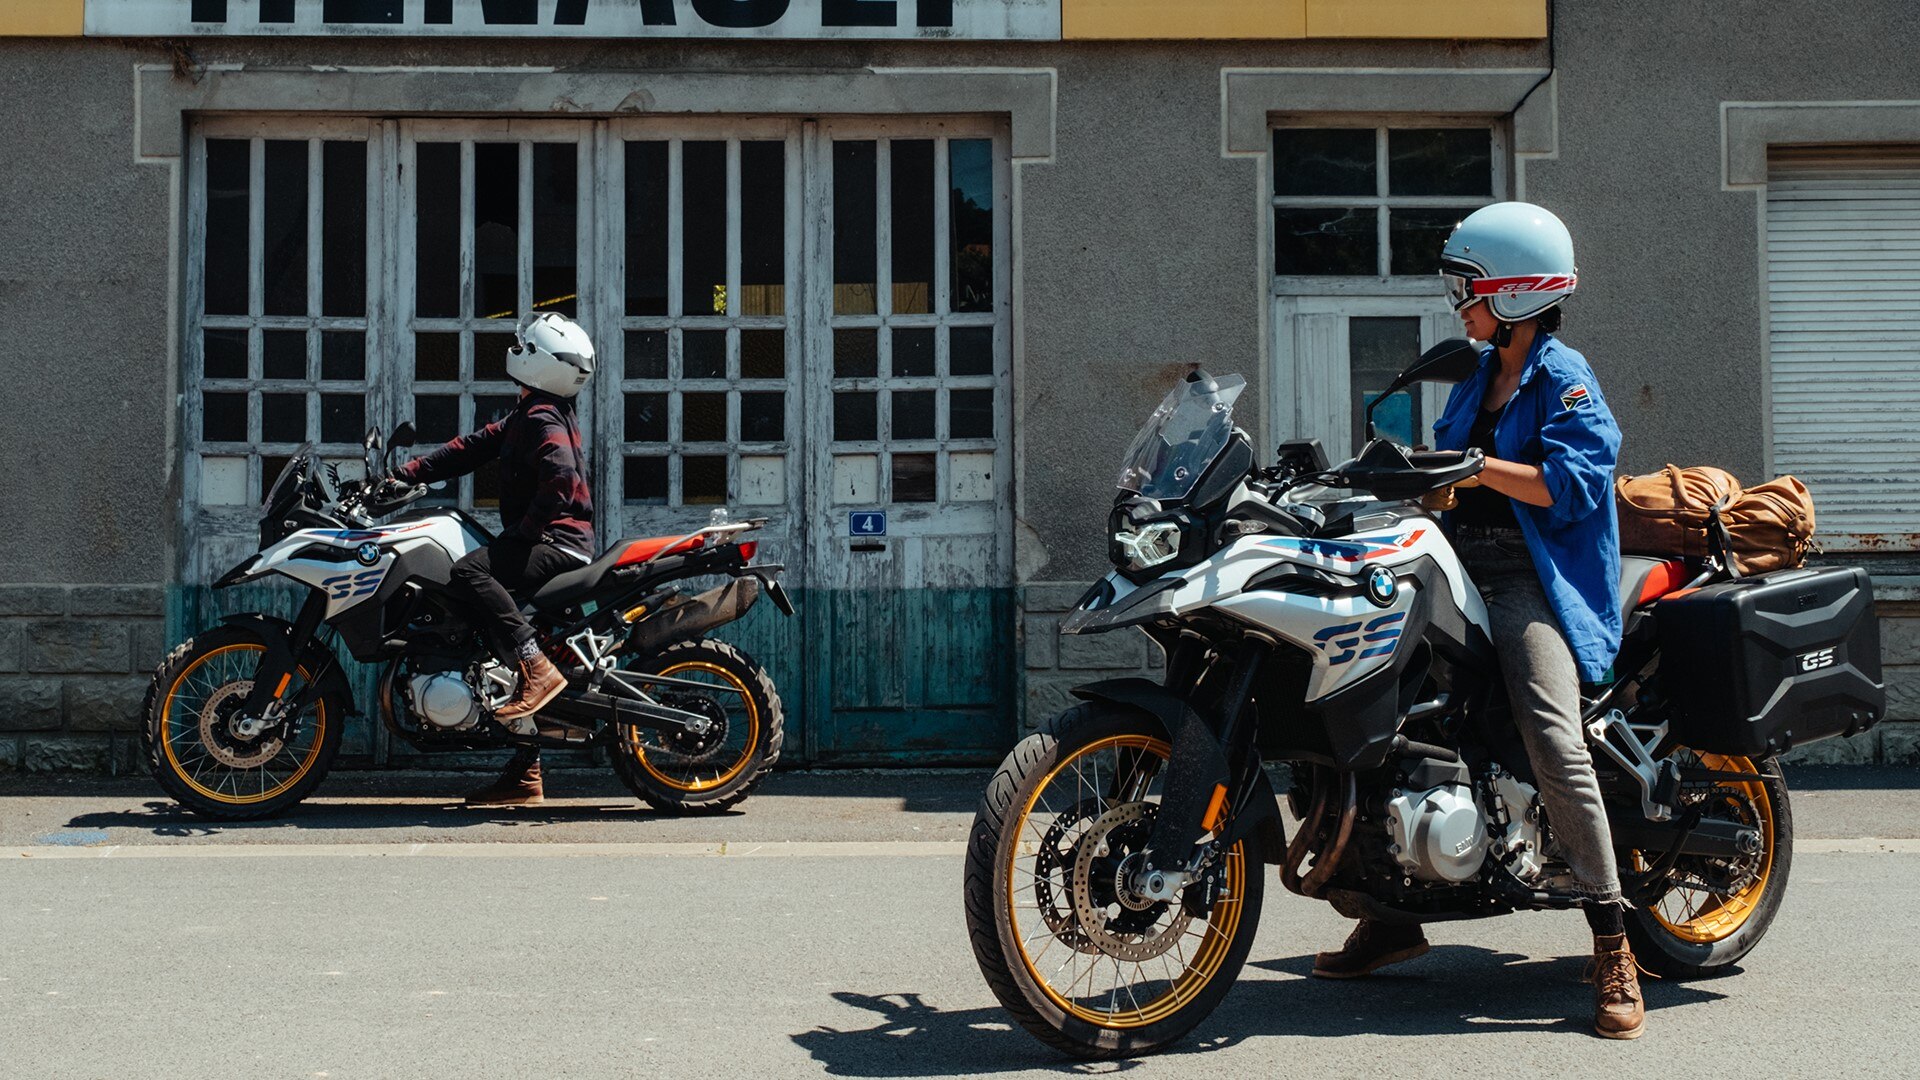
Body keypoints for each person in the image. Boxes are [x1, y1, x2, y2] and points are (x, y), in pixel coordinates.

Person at [1310, 203, 1644, 1039]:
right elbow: (1446, 482)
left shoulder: (1565, 377)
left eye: (1468, 287)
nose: (1457, 302)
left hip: (1532, 576)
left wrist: (1480, 466)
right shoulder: (1474, 375)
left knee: (1551, 734)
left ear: (1516, 291)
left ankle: (1612, 940)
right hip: (1454, 567)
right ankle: (1390, 913)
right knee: (1371, 707)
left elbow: (1571, 488)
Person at [388, 311, 596, 808]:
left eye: (524, 346)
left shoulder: (541, 417)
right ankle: (526, 774)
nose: (515, 350)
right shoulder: (536, 412)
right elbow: (471, 448)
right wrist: (405, 474)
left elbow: (561, 478)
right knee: (489, 630)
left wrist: (525, 534)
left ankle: (536, 666)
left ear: (537, 361)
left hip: (557, 545)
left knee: (468, 571)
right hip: (558, 542)